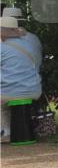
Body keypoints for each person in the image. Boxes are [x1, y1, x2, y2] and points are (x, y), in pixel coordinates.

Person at [1, 8, 43, 143]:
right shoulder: (32, 38)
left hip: (14, 90)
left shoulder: (3, 46)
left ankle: (6, 133)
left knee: (2, 101)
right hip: (35, 87)